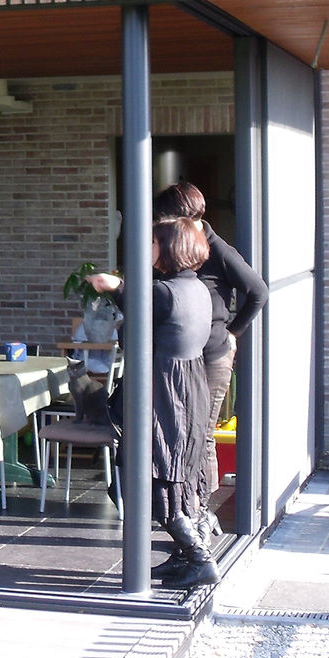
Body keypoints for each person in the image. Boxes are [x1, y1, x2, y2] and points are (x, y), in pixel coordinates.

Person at [89, 218, 218, 589]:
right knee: (181, 472)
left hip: (164, 393)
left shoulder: (164, 292)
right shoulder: (197, 289)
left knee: (154, 473)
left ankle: (198, 557)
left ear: (169, 248)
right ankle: (183, 558)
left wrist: (114, 286)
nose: (148, 250)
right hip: (189, 386)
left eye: (153, 244)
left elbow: (139, 309)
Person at [153, 182, 267, 518]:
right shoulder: (172, 246)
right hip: (182, 354)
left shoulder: (217, 249)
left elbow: (258, 291)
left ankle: (202, 512)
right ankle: (188, 510)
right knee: (182, 432)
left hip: (212, 354)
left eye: (167, 217)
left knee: (201, 434)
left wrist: (235, 331)